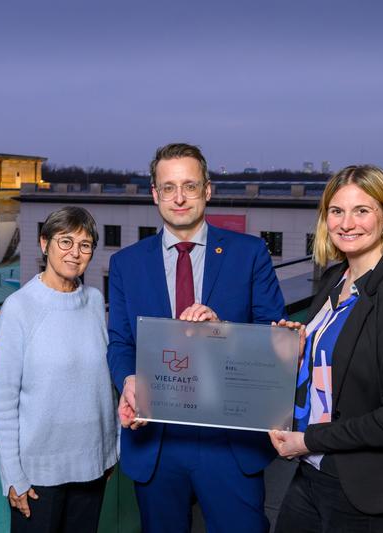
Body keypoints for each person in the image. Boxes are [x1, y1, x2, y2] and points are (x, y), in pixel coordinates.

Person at [107, 143, 285, 532]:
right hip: (157, 439)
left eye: (190, 185)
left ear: (208, 189)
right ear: (155, 194)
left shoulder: (250, 253)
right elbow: (120, 342)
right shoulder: (126, 264)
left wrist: (222, 332)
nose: (179, 197)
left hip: (228, 440)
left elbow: (276, 342)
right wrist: (128, 380)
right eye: (168, 187)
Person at [268, 165, 383, 532]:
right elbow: (333, 368)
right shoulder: (334, 279)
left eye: (362, 210)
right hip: (314, 472)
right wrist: (296, 351)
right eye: (337, 211)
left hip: (365, 486)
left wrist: (308, 440)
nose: (346, 223)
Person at [0, 206, 118, 533]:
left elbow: (104, 384)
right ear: (44, 243)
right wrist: (13, 477)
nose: (75, 253)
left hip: (93, 466)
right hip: (38, 476)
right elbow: (4, 401)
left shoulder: (93, 301)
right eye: (65, 242)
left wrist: (111, 449)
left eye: (85, 245)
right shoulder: (19, 308)